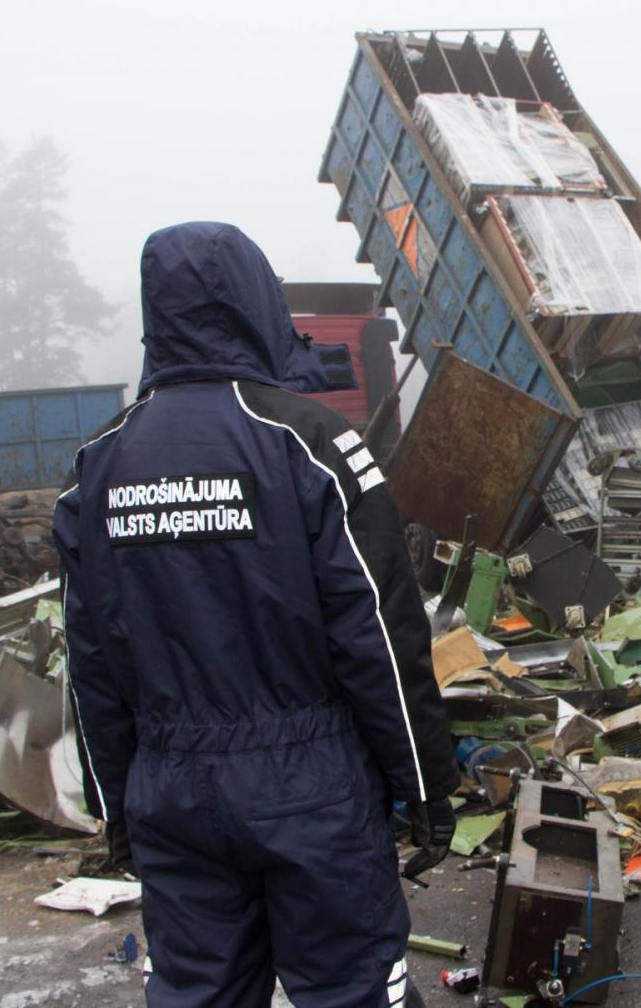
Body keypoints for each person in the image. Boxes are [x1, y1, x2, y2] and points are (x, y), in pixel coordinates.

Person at [54, 221, 458, 1008]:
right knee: (351, 990)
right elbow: (379, 631)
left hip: (170, 789)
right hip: (310, 784)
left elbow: (91, 659)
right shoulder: (310, 443)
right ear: (253, 302)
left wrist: (117, 806)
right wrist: (425, 780)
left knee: (198, 992)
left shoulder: (97, 467)